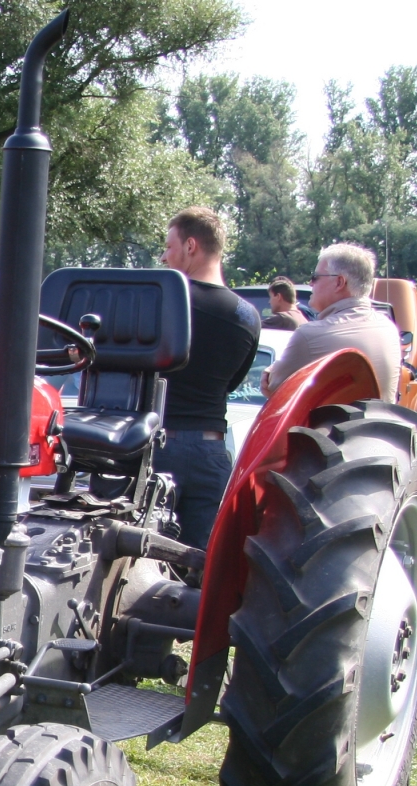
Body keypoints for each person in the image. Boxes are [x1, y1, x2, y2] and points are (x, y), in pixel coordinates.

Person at [155, 206, 261, 549]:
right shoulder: (248, 316)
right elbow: (230, 384)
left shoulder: (163, 301)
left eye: (168, 247)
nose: (164, 256)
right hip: (210, 452)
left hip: (158, 447)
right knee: (201, 564)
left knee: (136, 561)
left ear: (190, 246)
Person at [263, 244, 400, 403]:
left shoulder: (309, 335)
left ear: (339, 282)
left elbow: (272, 387)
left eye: (315, 277)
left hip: (330, 428)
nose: (310, 284)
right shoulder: (388, 328)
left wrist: (270, 371)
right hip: (382, 425)